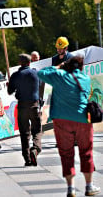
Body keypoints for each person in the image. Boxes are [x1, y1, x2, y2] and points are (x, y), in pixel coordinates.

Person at [37, 56, 100, 197]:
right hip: (83, 119)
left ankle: (70, 188)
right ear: (81, 66)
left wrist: (58, 67)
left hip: (62, 120)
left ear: (67, 65)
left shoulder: (59, 75)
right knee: (86, 151)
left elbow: (41, 73)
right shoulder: (85, 78)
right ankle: (89, 186)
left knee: (66, 153)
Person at [7, 54, 42, 166]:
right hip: (34, 105)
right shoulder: (35, 73)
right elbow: (40, 85)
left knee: (24, 133)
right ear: (29, 62)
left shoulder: (16, 75)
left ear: (19, 63)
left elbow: (9, 91)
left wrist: (9, 84)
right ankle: (35, 149)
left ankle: (27, 159)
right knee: (37, 129)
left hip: (22, 106)